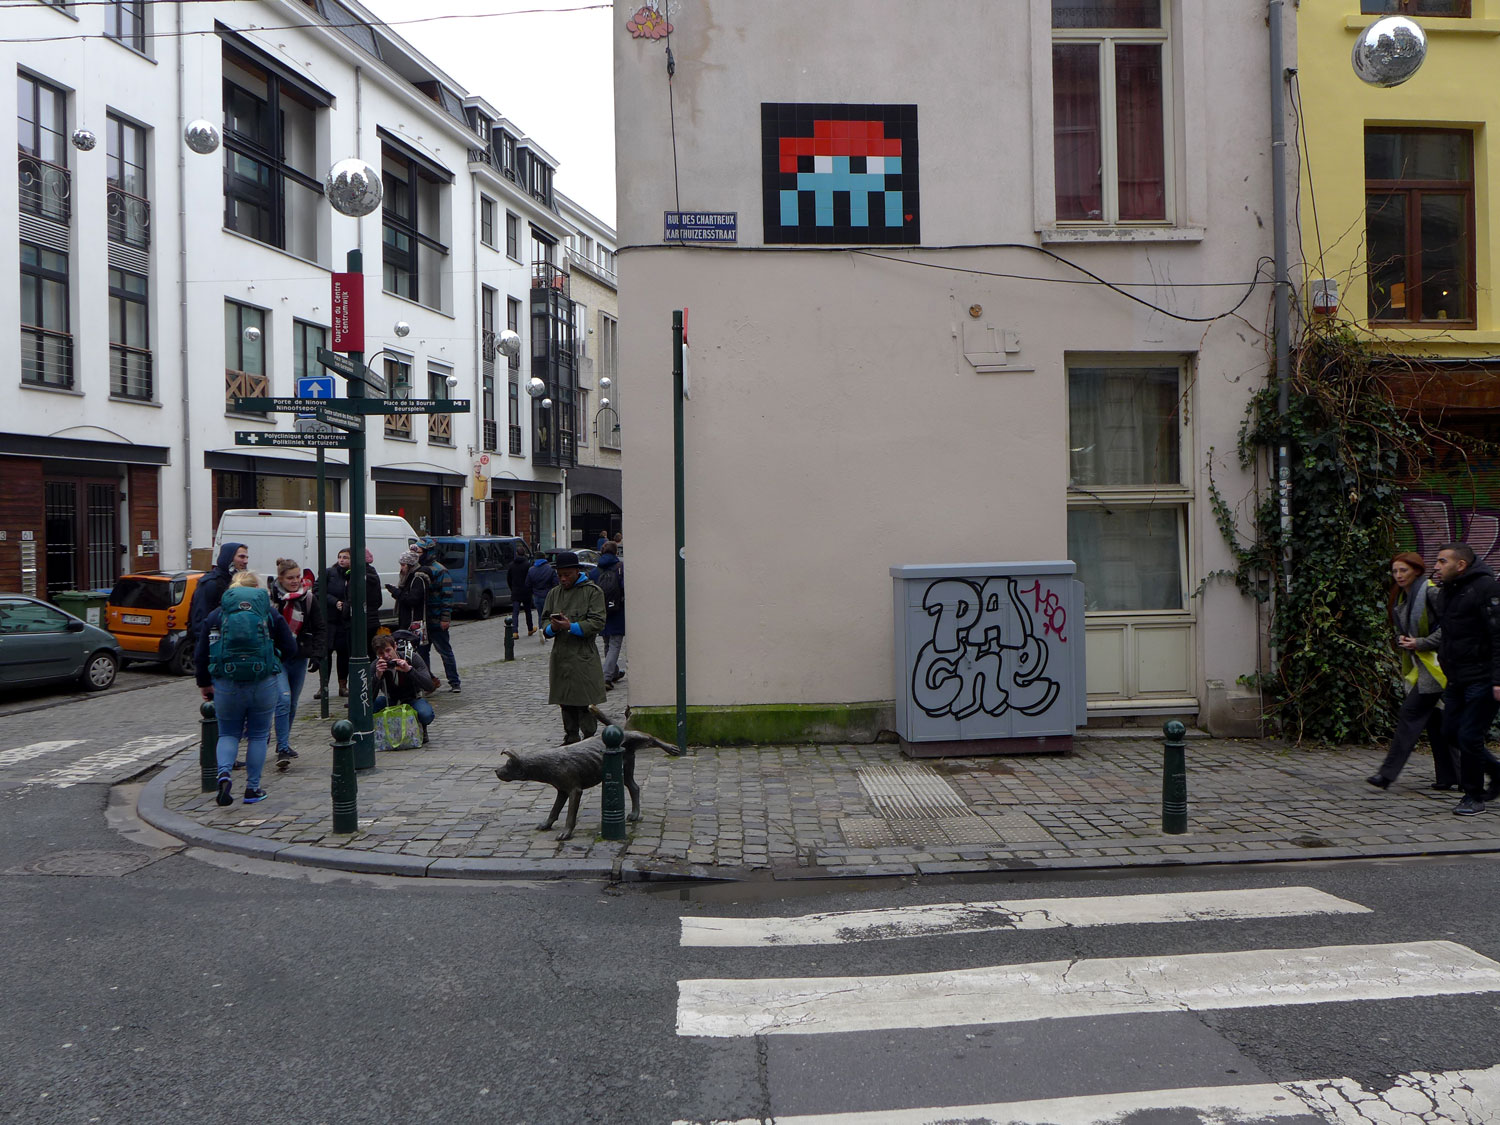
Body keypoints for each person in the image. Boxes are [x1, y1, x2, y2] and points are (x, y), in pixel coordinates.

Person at [195, 571, 297, 806]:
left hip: (226, 682)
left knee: (228, 733)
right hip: (263, 682)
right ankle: (252, 789)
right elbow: (290, 649)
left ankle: (223, 774)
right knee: (259, 735)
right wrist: (275, 658)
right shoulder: (269, 614)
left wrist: (204, 683)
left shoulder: (217, 616)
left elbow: (201, 653)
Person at [1368, 552, 1456, 791]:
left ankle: (1386, 774)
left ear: (1416, 570)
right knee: (1437, 723)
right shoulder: (1404, 597)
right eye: (1395, 571)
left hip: (1438, 668)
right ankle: (1450, 775)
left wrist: (1421, 642)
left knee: (1410, 715)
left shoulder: (1429, 591)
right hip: (1424, 667)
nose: (1398, 575)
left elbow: (1451, 626)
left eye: (1403, 570)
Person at [1431, 542, 1500, 816]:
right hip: (1458, 677)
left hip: (1483, 676)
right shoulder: (1449, 592)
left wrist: (1498, 679)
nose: (1436, 567)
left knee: (1469, 735)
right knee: (1450, 731)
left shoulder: (1486, 589)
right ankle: (1496, 771)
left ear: (1461, 565)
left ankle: (1473, 796)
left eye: (1442, 561)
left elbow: (1498, 636)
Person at [540, 550, 607, 743]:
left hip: (583, 655)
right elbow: (544, 621)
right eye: (559, 575)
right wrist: (551, 628)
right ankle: (570, 736)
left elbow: (598, 622)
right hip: (561, 656)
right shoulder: (554, 594)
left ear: (577, 571)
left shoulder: (592, 592)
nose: (563, 579)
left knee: (584, 701)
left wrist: (572, 626)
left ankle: (589, 739)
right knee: (565, 700)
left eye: (567, 575)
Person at [269, 557, 325, 771]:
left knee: (292, 703)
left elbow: (320, 627)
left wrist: (317, 654)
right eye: (290, 578)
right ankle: (282, 747)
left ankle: (284, 741)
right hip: (277, 657)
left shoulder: (308, 598)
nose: (295, 581)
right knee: (283, 699)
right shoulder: (271, 600)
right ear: (280, 578)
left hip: (298, 656)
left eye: (298, 577)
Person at [371, 631, 436, 744]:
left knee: (425, 714)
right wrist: (377, 676)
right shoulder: (376, 665)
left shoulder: (412, 657)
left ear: (395, 646)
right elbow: (368, 697)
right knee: (366, 710)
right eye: (381, 653)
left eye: (388, 650)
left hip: (413, 698)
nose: (386, 656)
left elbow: (429, 685)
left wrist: (409, 670)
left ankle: (421, 727)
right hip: (390, 699)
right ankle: (376, 732)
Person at [414, 536, 460, 692]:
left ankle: (454, 682)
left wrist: (445, 618)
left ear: (427, 552)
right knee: (421, 654)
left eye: (419, 551)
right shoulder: (416, 569)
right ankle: (428, 682)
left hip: (436, 619)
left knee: (445, 652)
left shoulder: (440, 570)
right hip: (423, 622)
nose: (416, 554)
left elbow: (447, 596)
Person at [187, 542, 247, 645]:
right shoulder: (210, 583)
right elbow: (200, 619)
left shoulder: (239, 582)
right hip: (212, 645)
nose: (245, 561)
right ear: (228, 558)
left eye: (246, 557)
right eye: (241, 557)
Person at [593, 541, 626, 689]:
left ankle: (613, 672)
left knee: (607, 643)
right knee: (615, 644)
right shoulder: (620, 568)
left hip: (601, 611)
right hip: (617, 610)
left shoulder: (595, 571)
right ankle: (606, 677)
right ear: (616, 552)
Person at [387, 550, 430, 638]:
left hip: (414, 620)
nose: (401, 568)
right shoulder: (408, 577)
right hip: (407, 619)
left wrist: (396, 592)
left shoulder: (417, 578)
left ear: (410, 565)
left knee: (416, 648)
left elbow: (412, 600)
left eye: (403, 565)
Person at [526, 553, 558, 643]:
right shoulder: (550, 569)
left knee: (541, 615)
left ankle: (541, 630)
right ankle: (546, 632)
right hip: (547, 595)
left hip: (536, 596)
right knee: (548, 615)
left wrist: (533, 592)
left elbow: (527, 584)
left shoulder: (531, 570)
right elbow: (555, 583)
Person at [507, 549, 536, 636]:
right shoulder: (527, 564)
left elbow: (508, 578)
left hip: (516, 591)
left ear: (516, 554)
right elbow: (531, 577)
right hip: (526, 591)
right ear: (524, 554)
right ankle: (530, 629)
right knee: (528, 611)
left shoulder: (511, 565)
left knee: (515, 613)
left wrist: (512, 588)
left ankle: (515, 631)